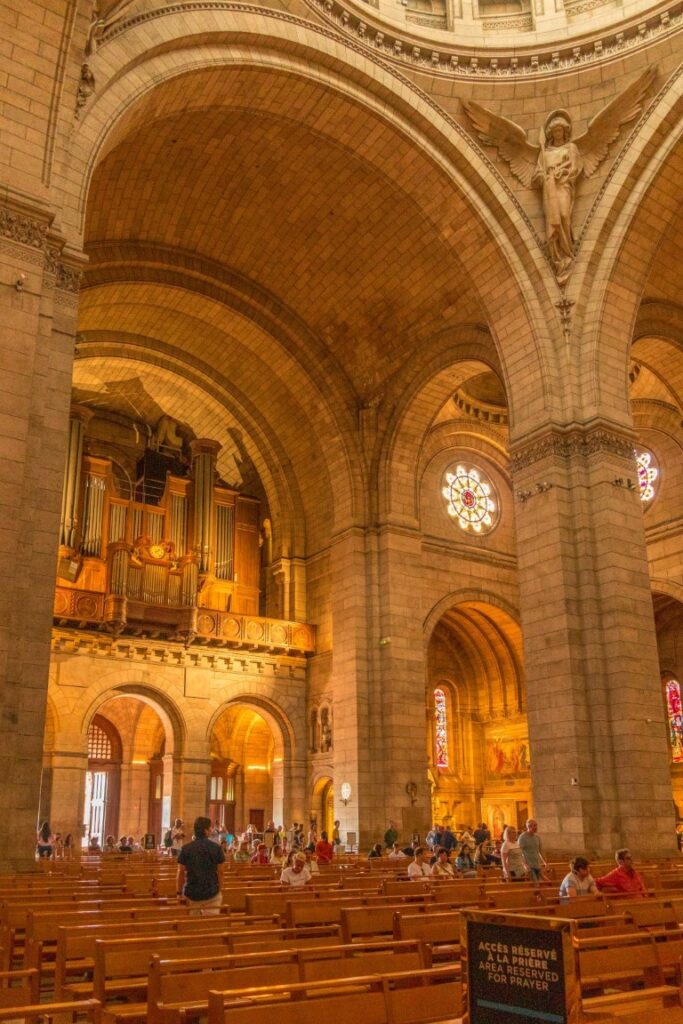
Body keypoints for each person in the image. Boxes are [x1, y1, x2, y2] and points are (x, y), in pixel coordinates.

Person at [532, 111, 582, 282]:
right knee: (552, 221)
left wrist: (564, 172)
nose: (557, 134)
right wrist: (544, 176)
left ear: (565, 132)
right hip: (549, 188)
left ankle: (567, 254)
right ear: (550, 134)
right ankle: (557, 258)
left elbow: (576, 168)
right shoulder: (544, 153)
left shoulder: (571, 148)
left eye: (560, 131)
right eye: (554, 131)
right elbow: (536, 175)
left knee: (564, 216)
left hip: (563, 186)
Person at [176, 815, 225, 915]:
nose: (211, 830)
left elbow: (180, 872)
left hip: (192, 893)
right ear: (205, 831)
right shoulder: (216, 848)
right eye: (210, 828)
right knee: (211, 925)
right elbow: (220, 871)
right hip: (212, 892)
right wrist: (219, 889)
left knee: (194, 927)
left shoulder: (186, 848)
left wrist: (178, 893)